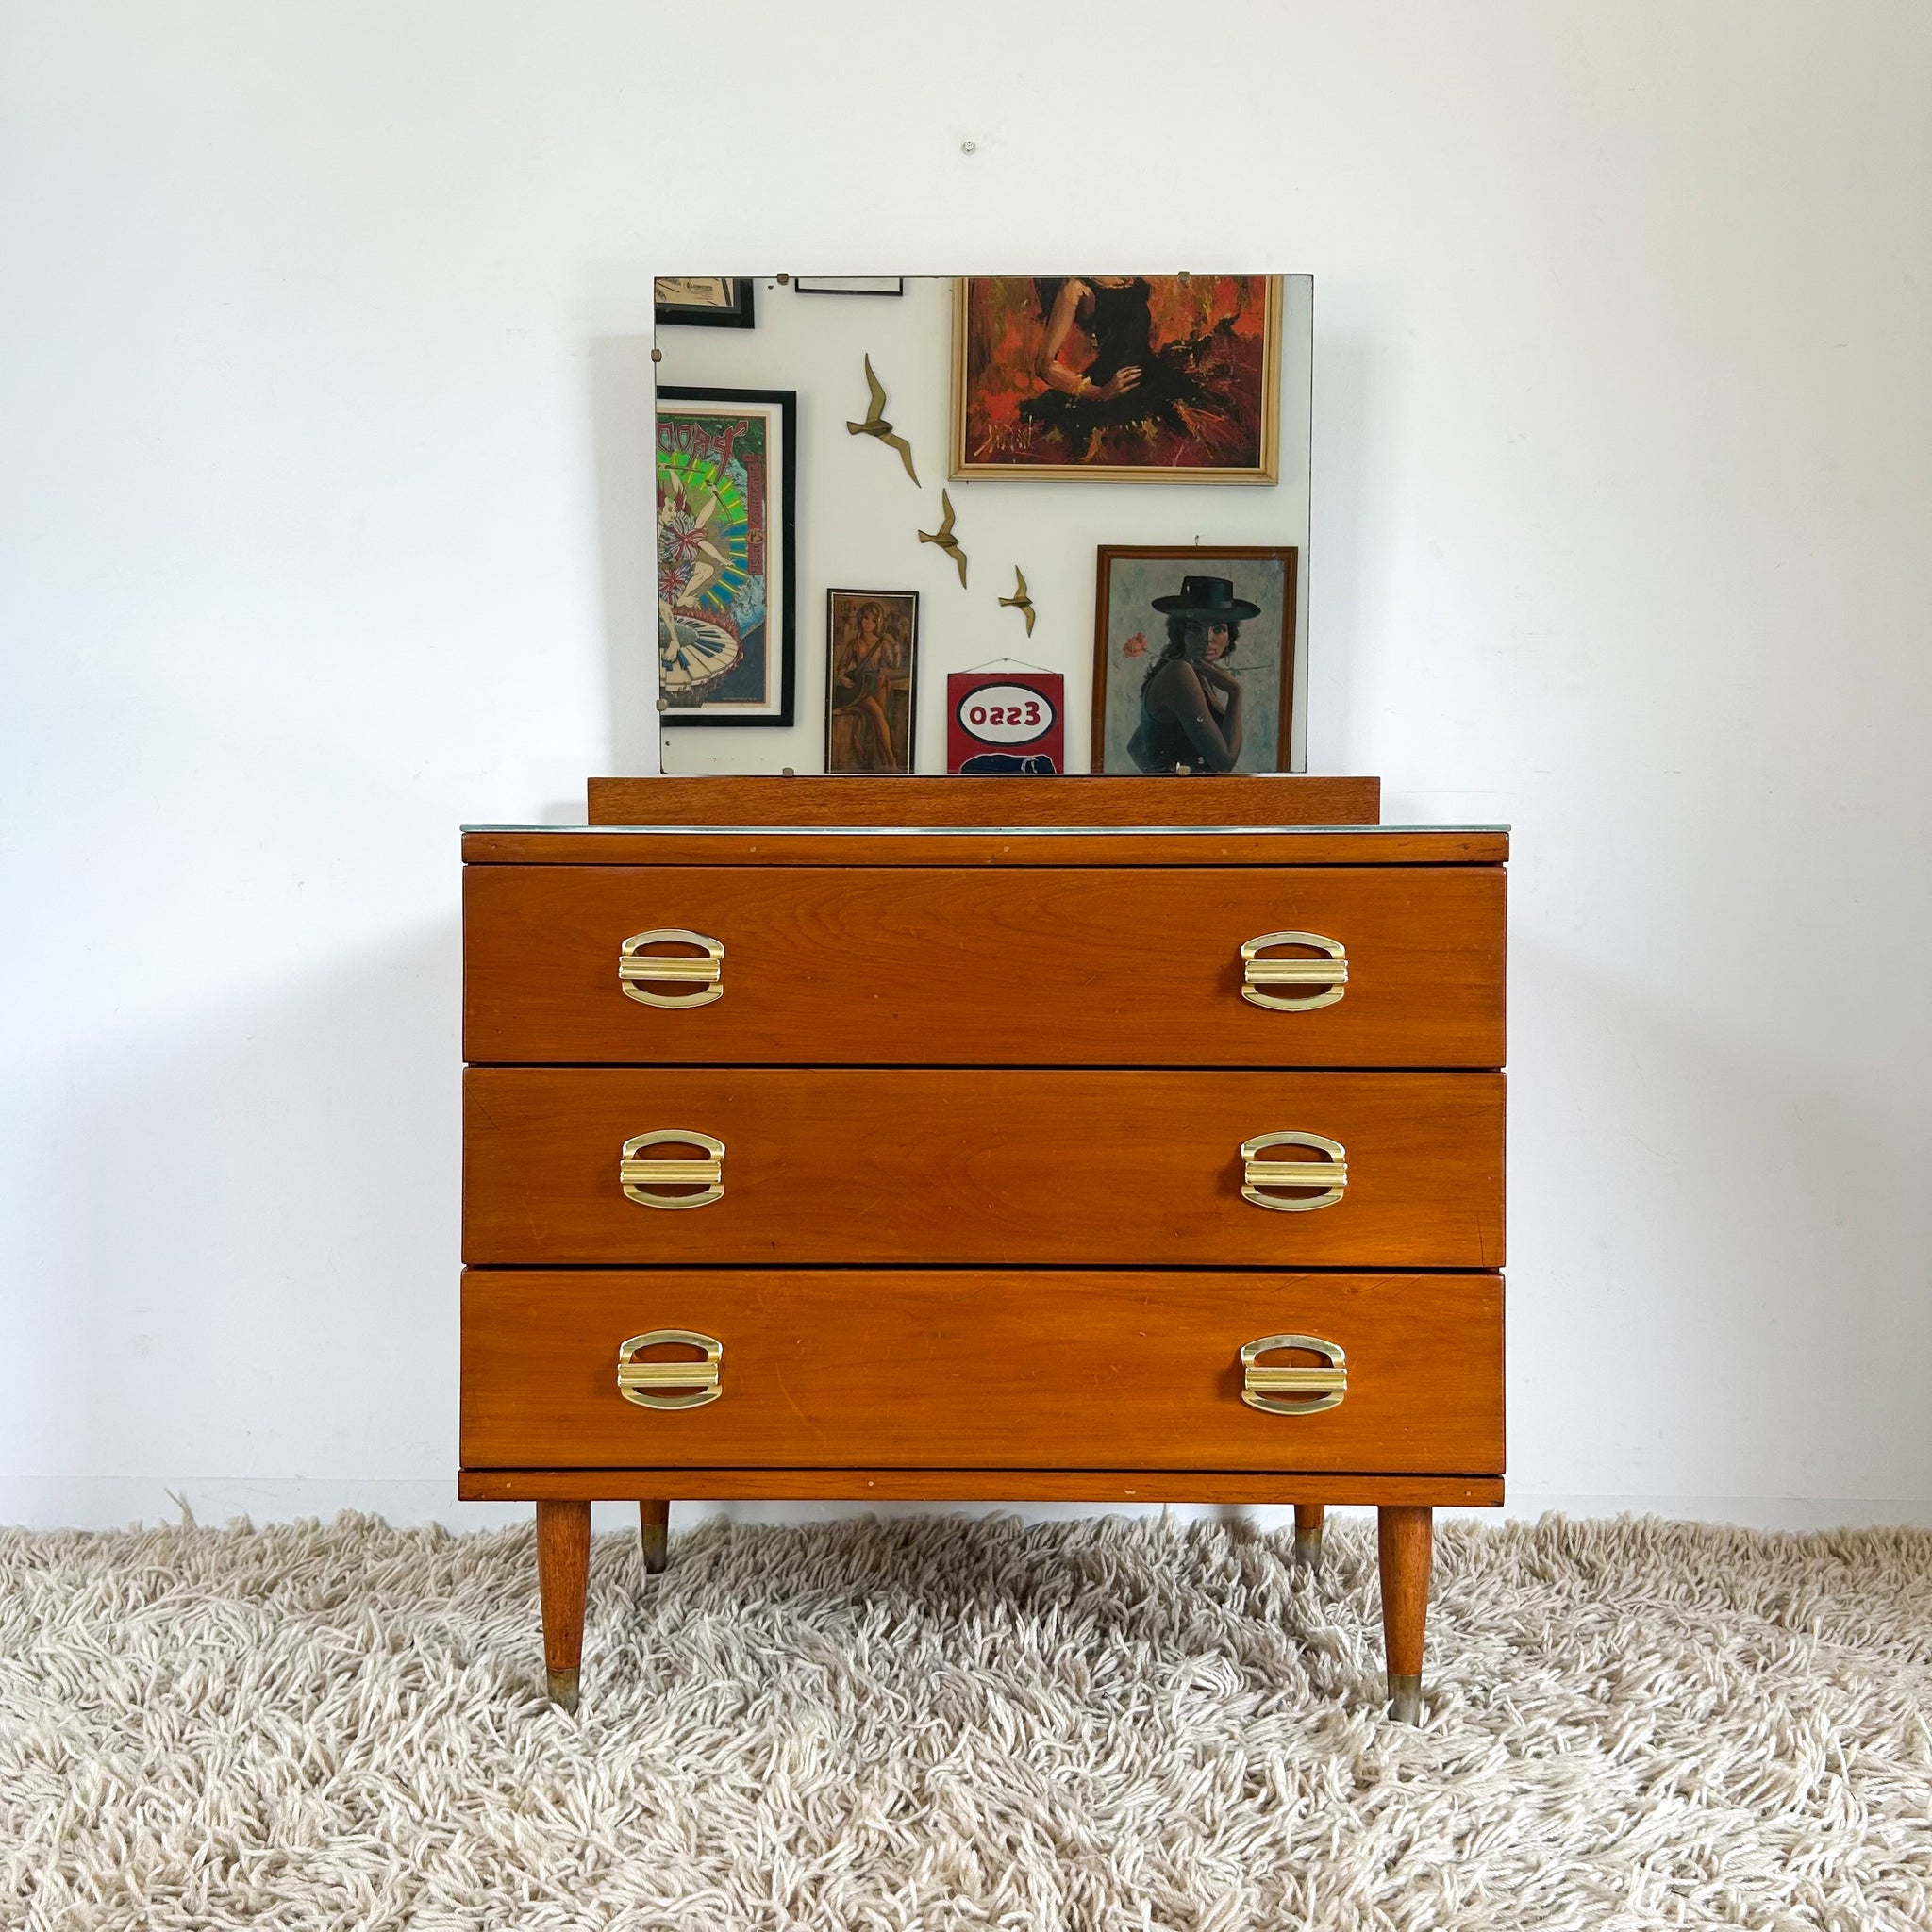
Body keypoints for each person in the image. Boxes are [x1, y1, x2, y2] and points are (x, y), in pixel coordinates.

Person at [1021, 276, 1218, 462]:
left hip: (1154, 378)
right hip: (1115, 391)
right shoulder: (1075, 289)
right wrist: (1099, 392)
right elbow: (1044, 365)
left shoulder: (1132, 279)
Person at [1125, 575, 1257, 773]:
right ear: (1180, 633)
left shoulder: (1196, 674)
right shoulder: (1179, 673)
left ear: (1230, 637)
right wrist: (1235, 691)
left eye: (1218, 629)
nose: (1207, 639)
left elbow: (1136, 746)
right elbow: (1225, 762)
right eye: (1195, 629)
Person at [828, 601, 900, 768]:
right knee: (878, 715)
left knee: (879, 722)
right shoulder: (854, 643)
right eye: (866, 618)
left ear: (878, 623)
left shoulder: (881, 642)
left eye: (873, 620)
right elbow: (842, 666)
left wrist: (894, 645)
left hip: (878, 683)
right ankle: (891, 759)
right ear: (861, 619)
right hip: (860, 686)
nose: (868, 623)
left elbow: (894, 664)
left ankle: (881, 762)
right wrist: (842, 678)